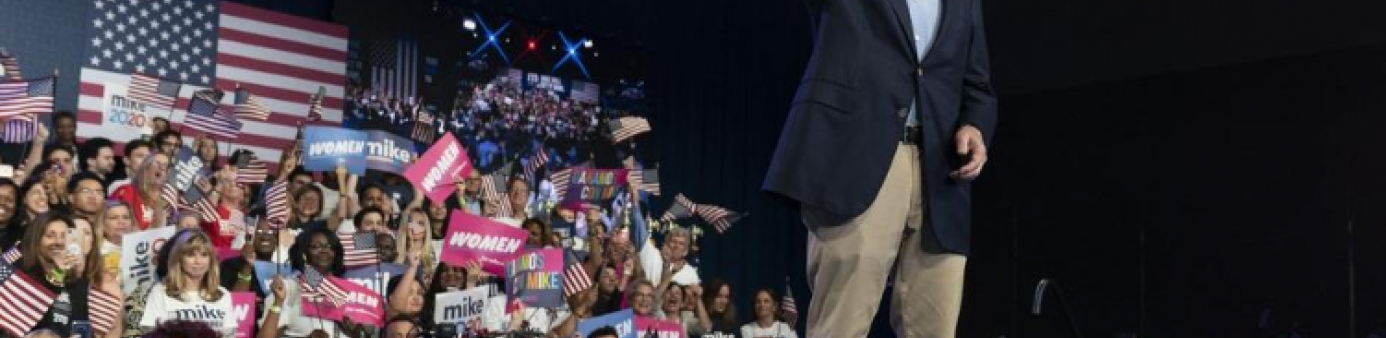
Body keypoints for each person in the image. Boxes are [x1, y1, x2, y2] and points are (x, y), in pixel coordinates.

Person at [760, 0, 998, 337]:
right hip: (855, 160)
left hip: (942, 173)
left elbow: (978, 86)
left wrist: (974, 126)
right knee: (842, 326)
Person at [259, 227, 368, 338]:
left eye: (329, 246)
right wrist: (278, 301)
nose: (324, 250)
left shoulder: (346, 292)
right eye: (316, 246)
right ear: (303, 254)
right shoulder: (286, 288)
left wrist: (355, 331)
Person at [139, 230, 237, 337]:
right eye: (191, 255)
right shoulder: (160, 292)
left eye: (204, 255)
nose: (198, 261)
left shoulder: (222, 294)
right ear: (179, 259)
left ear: (211, 260)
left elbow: (229, 334)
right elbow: (150, 333)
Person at [16, 213, 95, 336]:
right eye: (50, 236)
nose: (58, 242)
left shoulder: (77, 283)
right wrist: (57, 274)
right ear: (36, 239)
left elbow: (81, 325)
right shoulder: (20, 275)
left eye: (64, 237)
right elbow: (30, 322)